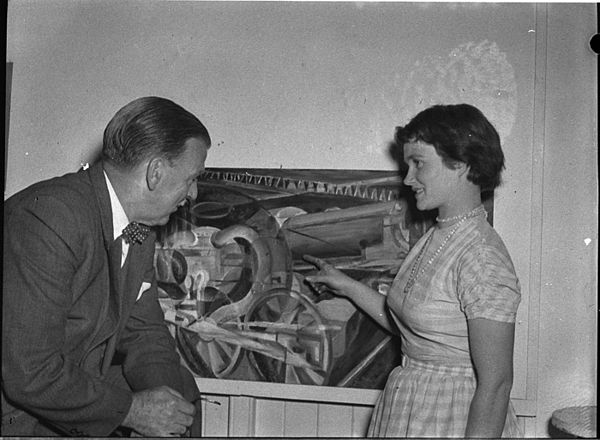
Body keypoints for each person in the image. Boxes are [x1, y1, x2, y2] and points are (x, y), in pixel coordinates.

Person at [305, 104, 522, 438]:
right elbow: (411, 328)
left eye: (418, 163)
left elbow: (496, 385)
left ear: (461, 164)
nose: (407, 178)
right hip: (412, 406)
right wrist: (345, 285)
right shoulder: (437, 235)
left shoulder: (481, 255)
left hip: (453, 415)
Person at [2, 96, 211, 437]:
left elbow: (146, 335)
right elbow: (30, 373)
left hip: (69, 384)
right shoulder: (49, 217)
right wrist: (134, 411)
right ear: (155, 172)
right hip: (18, 416)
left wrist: (168, 409)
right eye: (191, 178)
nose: (194, 193)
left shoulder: (140, 231)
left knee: (182, 389)